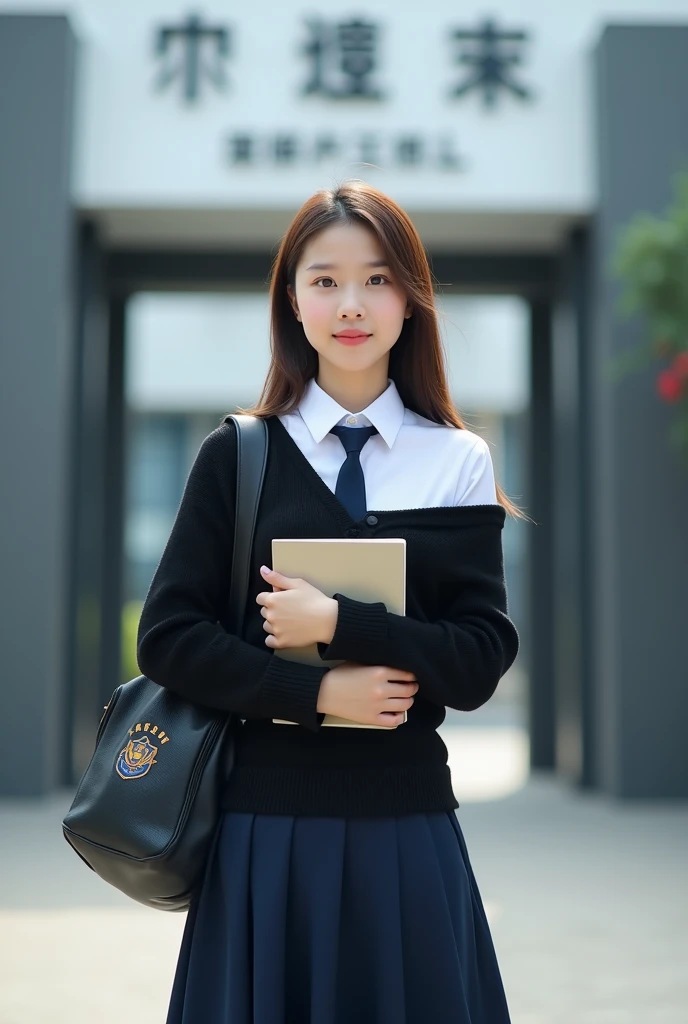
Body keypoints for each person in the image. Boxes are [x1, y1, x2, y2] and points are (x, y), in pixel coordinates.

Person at [136, 179, 524, 1024]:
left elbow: (479, 662)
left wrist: (342, 623)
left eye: (379, 279)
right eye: (325, 280)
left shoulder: (456, 460)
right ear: (292, 302)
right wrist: (314, 693)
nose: (352, 304)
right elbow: (168, 639)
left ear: (411, 300)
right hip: (264, 831)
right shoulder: (237, 454)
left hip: (406, 825)